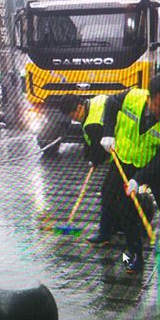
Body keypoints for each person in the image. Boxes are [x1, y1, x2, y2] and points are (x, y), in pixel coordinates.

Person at [100, 73, 160, 274]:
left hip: (155, 168)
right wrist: (108, 132)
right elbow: (111, 103)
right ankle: (135, 256)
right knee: (124, 209)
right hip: (124, 159)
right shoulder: (132, 96)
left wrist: (138, 181)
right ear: (149, 98)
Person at [60, 94, 114, 244]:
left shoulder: (93, 121)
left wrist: (94, 160)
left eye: (73, 116)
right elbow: (91, 141)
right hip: (122, 146)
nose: (74, 120)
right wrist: (90, 156)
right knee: (114, 192)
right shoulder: (95, 102)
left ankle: (105, 234)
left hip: (123, 151)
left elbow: (100, 150)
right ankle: (114, 228)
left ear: (79, 107)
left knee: (108, 192)